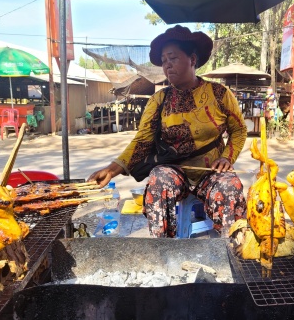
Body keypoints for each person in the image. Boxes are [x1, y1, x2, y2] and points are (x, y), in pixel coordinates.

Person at [88, 25, 247, 238]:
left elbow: (239, 130)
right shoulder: (158, 100)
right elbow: (142, 141)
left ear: (192, 59)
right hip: (174, 172)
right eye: (163, 61)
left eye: (172, 58)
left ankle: (230, 250)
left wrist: (228, 157)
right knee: (158, 180)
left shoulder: (219, 94)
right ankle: (164, 251)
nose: (167, 65)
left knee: (230, 186)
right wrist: (112, 169)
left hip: (211, 173)